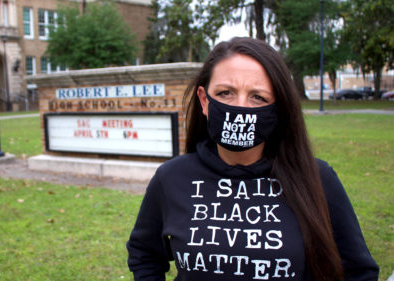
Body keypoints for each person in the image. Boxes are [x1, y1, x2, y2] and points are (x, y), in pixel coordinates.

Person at [126, 37, 379, 281]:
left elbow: (358, 271)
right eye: (225, 93)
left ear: (278, 107)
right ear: (204, 100)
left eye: (258, 97)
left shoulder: (317, 179)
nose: (241, 108)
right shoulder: (171, 178)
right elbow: (144, 254)